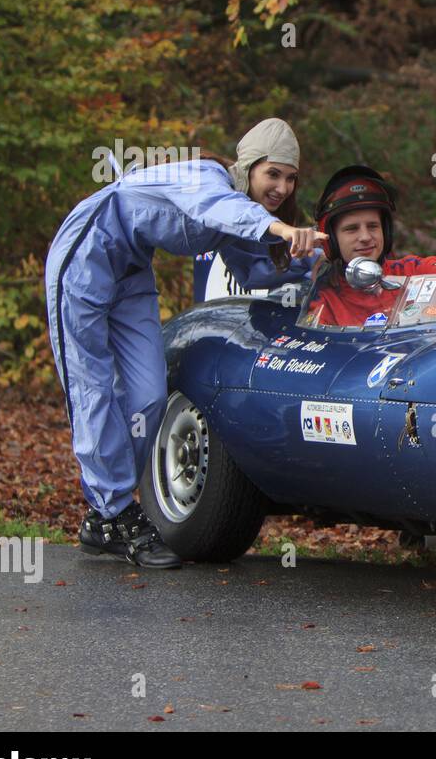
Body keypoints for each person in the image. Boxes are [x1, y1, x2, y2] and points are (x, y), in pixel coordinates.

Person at [45, 118, 326, 569]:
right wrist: (280, 230)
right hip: (86, 252)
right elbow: (218, 209)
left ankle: (106, 512)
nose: (281, 187)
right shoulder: (207, 179)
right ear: (249, 165)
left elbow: (253, 273)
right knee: (92, 388)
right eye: (272, 174)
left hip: (132, 270)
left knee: (149, 394)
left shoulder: (242, 214)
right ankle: (113, 511)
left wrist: (307, 261)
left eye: (290, 178)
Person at [303, 165, 436, 328]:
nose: (365, 237)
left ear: (386, 231)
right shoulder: (326, 300)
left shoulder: (411, 271)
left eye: (373, 226)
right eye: (352, 229)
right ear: (331, 239)